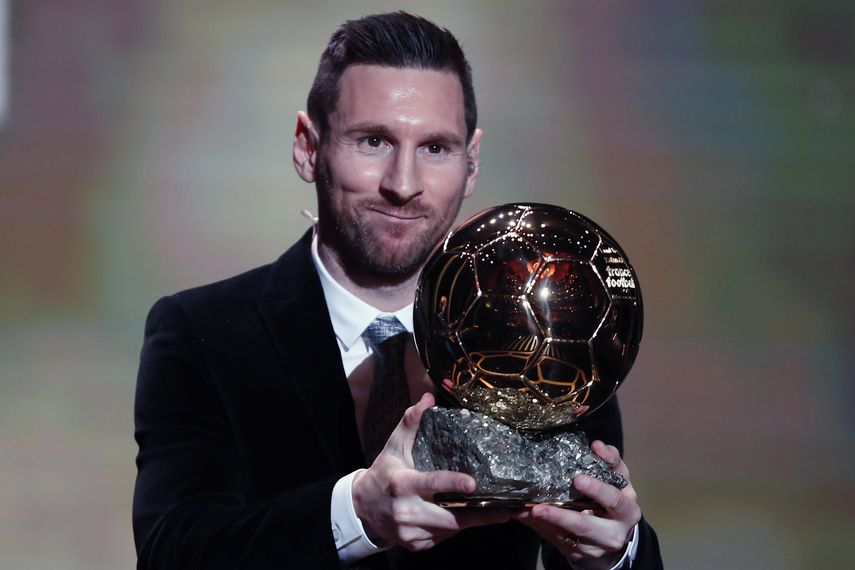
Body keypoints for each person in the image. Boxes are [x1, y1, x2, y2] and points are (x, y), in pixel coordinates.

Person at [132, 12, 663, 570]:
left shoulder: (553, 340)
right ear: (308, 147)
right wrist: (357, 514)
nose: (403, 184)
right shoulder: (201, 332)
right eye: (373, 140)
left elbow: (603, 539)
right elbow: (173, 551)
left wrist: (615, 554)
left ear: (472, 161)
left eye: (436, 148)